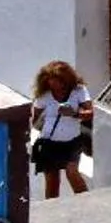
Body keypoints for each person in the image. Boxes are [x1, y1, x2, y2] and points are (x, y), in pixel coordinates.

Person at [31, 60, 91, 199]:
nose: (55, 86)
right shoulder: (45, 95)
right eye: (51, 82)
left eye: (57, 81)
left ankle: (87, 204)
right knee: (52, 182)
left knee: (72, 172)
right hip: (49, 142)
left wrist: (74, 114)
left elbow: (90, 113)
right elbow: (34, 116)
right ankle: (52, 213)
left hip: (72, 142)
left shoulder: (78, 91)